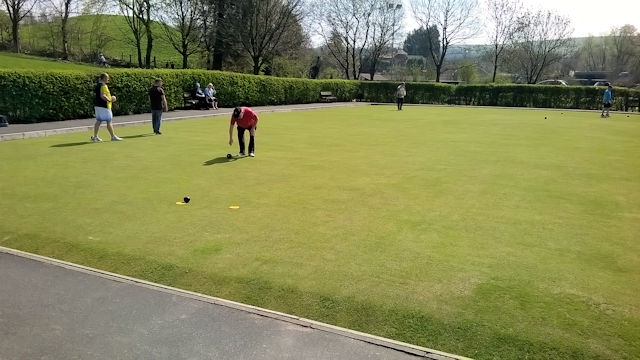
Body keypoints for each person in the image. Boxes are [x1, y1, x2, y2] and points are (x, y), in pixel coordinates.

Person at [91, 73, 122, 142]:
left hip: (97, 105)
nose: (108, 79)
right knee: (109, 121)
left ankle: (95, 136)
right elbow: (103, 96)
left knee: (98, 121)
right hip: (104, 106)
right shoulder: (103, 85)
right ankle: (113, 136)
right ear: (104, 78)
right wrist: (110, 100)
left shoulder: (97, 85)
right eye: (107, 78)